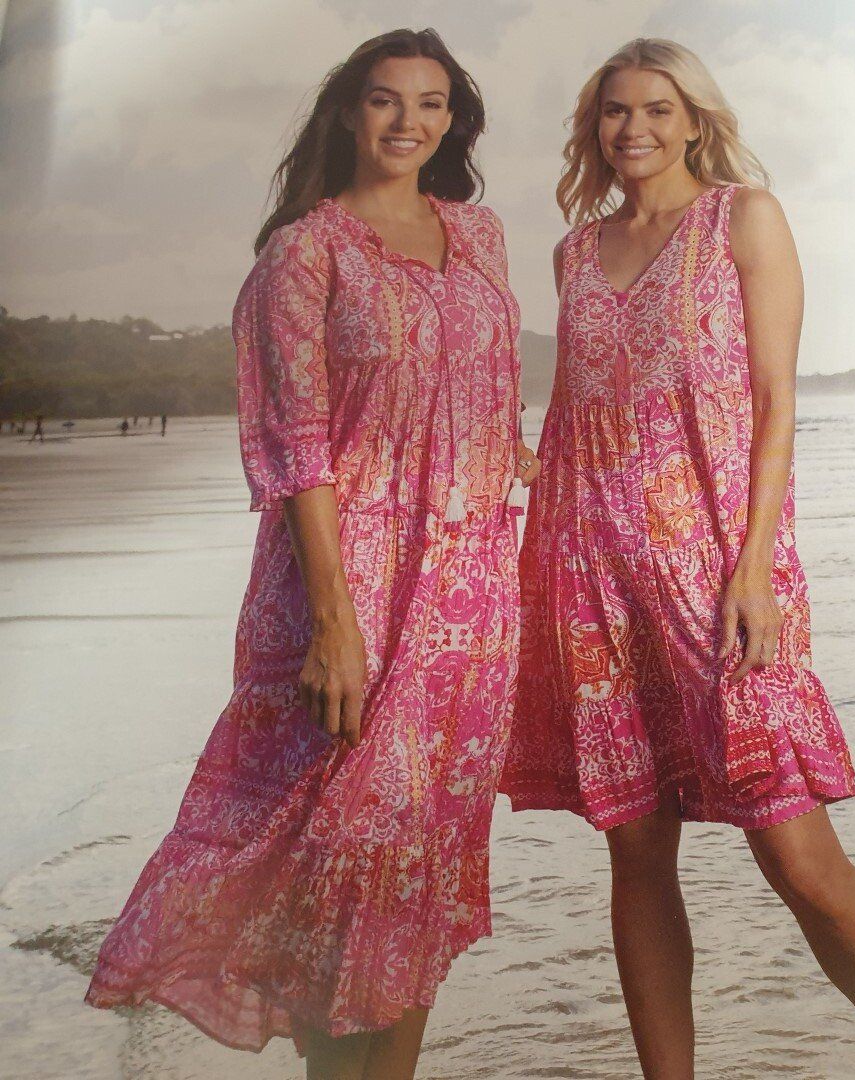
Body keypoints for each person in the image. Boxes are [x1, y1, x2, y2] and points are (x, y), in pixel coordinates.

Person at [85, 28, 539, 1079]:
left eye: (430, 104)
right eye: (385, 101)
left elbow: (479, 399)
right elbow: (295, 448)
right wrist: (335, 624)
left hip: (470, 602)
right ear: (347, 112)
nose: (408, 123)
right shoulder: (306, 251)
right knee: (333, 868)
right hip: (352, 590)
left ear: (452, 122)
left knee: (418, 872)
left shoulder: (482, 237)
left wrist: (531, 462)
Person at [499, 38, 855, 1080]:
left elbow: (776, 402)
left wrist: (755, 566)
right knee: (635, 847)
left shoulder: (743, 217)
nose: (635, 130)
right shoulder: (576, 251)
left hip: (717, 566)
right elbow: (580, 410)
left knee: (799, 853)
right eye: (616, 112)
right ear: (595, 126)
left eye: (658, 109)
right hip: (592, 570)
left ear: (695, 117)